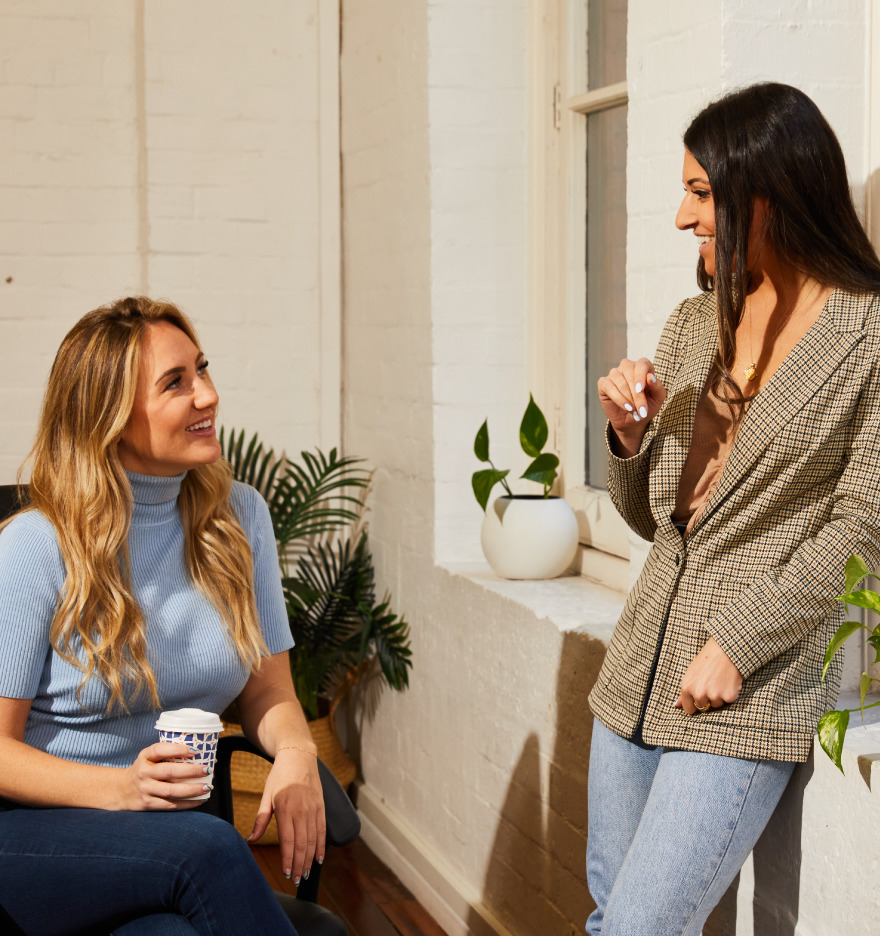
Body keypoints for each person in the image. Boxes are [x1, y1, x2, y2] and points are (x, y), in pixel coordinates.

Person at [587, 82, 880, 935]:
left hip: (749, 688)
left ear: (772, 191)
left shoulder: (868, 337)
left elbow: (862, 524)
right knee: (613, 919)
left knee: (640, 928)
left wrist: (738, 643)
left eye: (701, 193)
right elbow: (655, 525)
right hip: (637, 671)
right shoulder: (692, 325)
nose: (683, 218)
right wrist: (630, 441)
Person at [0, 297, 325, 935]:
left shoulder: (240, 518)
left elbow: (268, 691)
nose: (207, 395)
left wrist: (295, 750)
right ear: (111, 418)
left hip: (160, 844)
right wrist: (122, 789)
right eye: (176, 383)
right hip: (34, 836)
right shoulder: (35, 547)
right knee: (210, 849)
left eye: (202, 370)